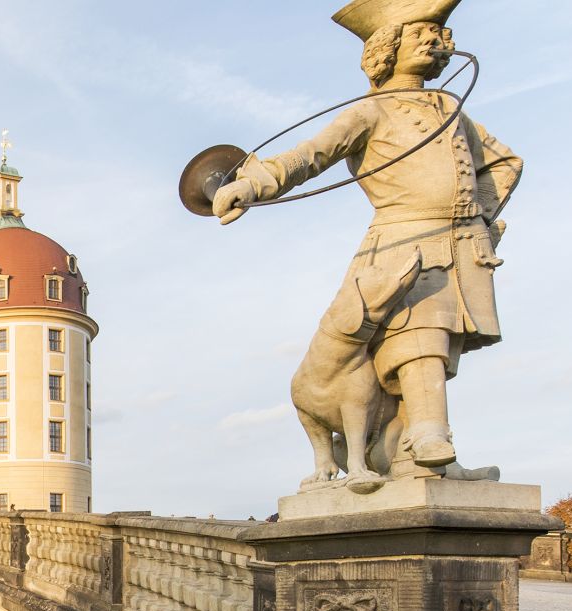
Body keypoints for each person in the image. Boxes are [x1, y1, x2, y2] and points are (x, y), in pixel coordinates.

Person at [212, 0, 520, 472]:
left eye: (439, 35)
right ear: (389, 48)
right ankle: (428, 434)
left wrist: (476, 213)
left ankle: (415, 458)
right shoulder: (371, 112)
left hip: (460, 241)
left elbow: (504, 163)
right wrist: (254, 184)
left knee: (440, 344)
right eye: (422, 34)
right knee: (419, 334)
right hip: (403, 237)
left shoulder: (449, 108)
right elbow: (311, 155)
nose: (437, 42)